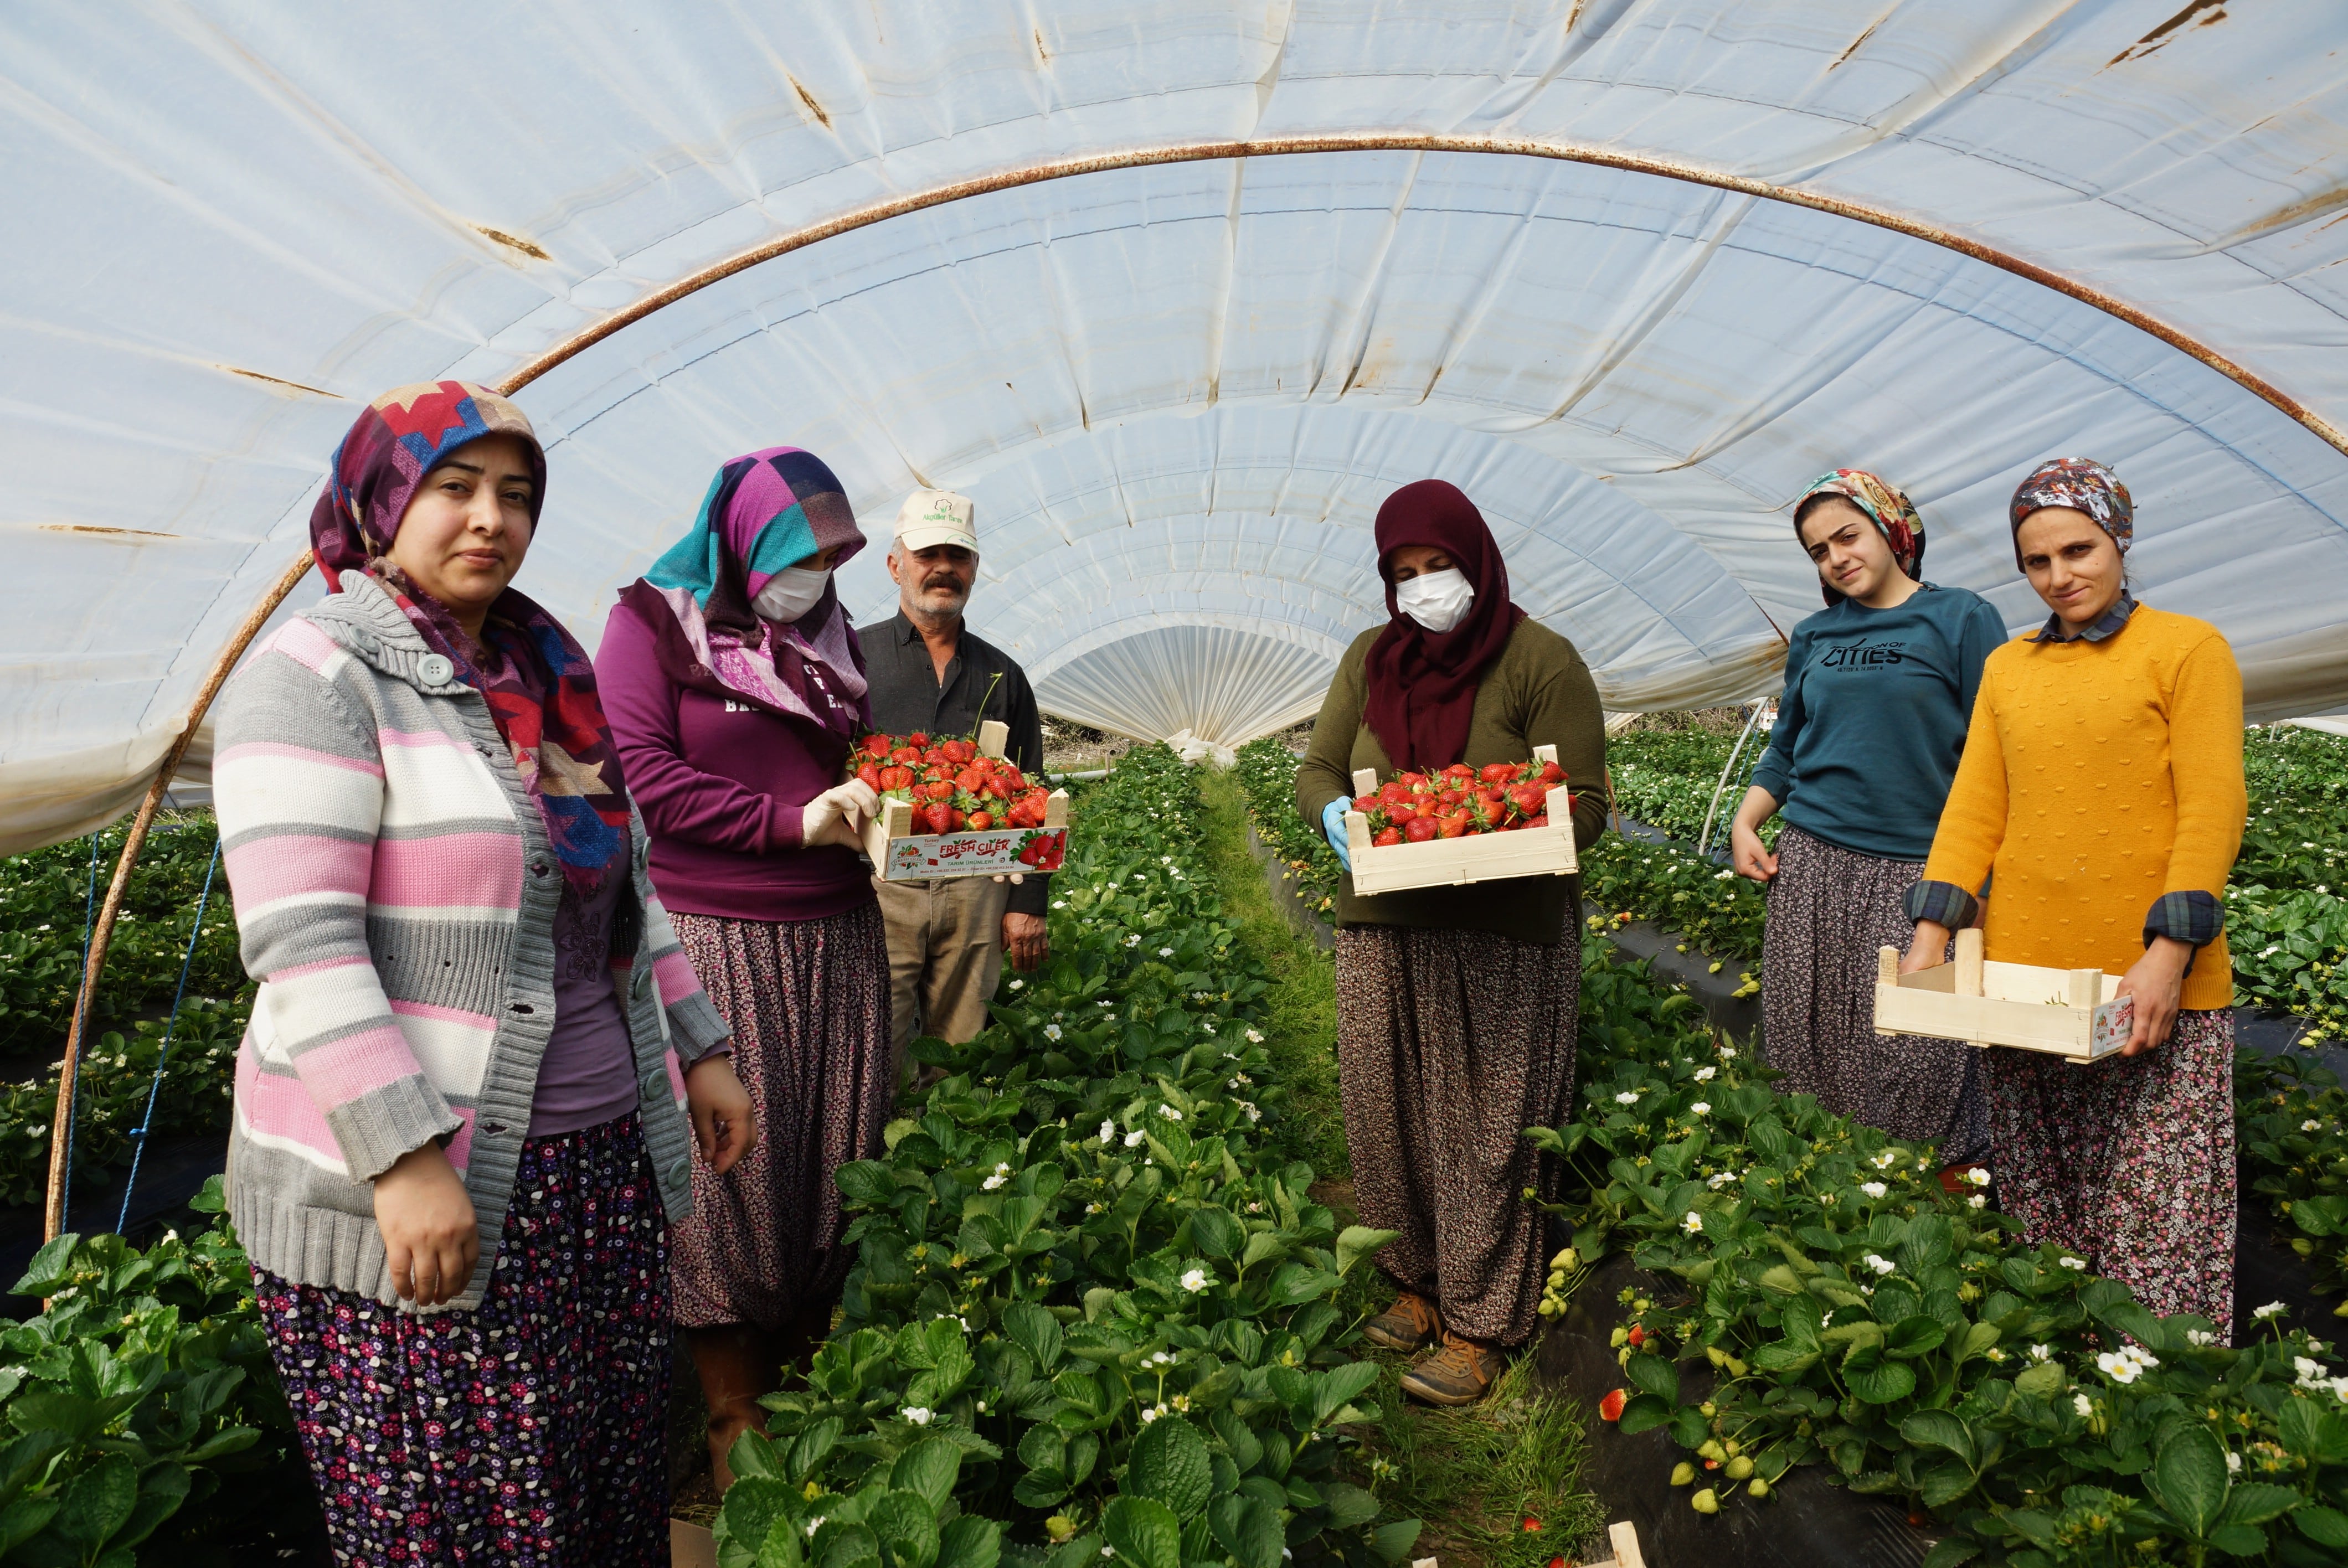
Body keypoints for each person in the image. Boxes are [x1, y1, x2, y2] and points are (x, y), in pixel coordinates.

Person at [215, 380, 753, 1564]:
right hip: (425, 1192)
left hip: (596, 1171)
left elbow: (625, 892)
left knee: (596, 1479)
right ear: (381, 499)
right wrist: (403, 1159)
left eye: (516, 496)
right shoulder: (313, 676)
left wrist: (700, 1049)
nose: (489, 519)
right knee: (462, 1511)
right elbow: (304, 944)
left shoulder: (545, 677)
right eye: (453, 487)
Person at [596, 447, 893, 1488]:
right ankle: (733, 1413)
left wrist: (896, 806)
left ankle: (815, 1392)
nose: (816, 574)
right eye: (795, 552)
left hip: (842, 938)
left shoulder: (833, 637)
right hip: (718, 939)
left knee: (827, 1159)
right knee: (733, 1171)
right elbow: (642, 781)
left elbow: (856, 771)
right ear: (740, 540)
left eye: (832, 554)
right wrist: (787, 821)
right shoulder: (651, 625)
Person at [1902, 457, 2244, 1325]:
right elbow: (1974, 806)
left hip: (2147, 978)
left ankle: (2160, 1405)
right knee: (2043, 1202)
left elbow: (2212, 806)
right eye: (2038, 562)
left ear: (2120, 538)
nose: (2061, 576)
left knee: (2155, 1214)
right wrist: (1931, 938)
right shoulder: (2010, 669)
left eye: (2079, 550)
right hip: (2029, 984)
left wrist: (2170, 956)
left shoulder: (2186, 649)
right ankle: (2065, 1398)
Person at [1294, 479, 1609, 1407]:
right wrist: (1334, 813)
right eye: (1407, 573)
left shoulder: (1540, 659)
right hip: (1386, 924)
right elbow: (1316, 767)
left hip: (1500, 930)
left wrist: (1495, 837)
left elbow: (1585, 802)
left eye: (1441, 567)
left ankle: (1481, 1320)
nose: (1427, 587)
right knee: (1387, 1106)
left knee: (1487, 1125)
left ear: (1478, 559)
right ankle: (1416, 1276)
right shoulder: (1370, 659)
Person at [1728, 470, 2005, 1170]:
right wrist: (1746, 821)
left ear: (1889, 527)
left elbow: (1999, 756)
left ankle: (1929, 1185)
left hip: (1922, 869)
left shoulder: (1961, 619)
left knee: (1917, 1045)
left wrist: (1985, 882)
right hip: (1814, 859)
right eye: (1819, 551)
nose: (1836, 557)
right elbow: (1785, 749)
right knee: (1809, 1028)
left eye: (1847, 536)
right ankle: (1827, 1180)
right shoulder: (1815, 635)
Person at [857, 488, 1052, 1067]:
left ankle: (946, 1144)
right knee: (876, 1038)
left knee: (959, 1039)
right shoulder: (853, 660)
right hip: (877, 888)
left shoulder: (1001, 673)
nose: (944, 566)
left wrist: (1030, 901)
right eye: (927, 553)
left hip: (977, 886)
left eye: (958, 555)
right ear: (896, 565)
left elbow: (1036, 793)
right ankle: (874, 1145)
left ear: (974, 569)